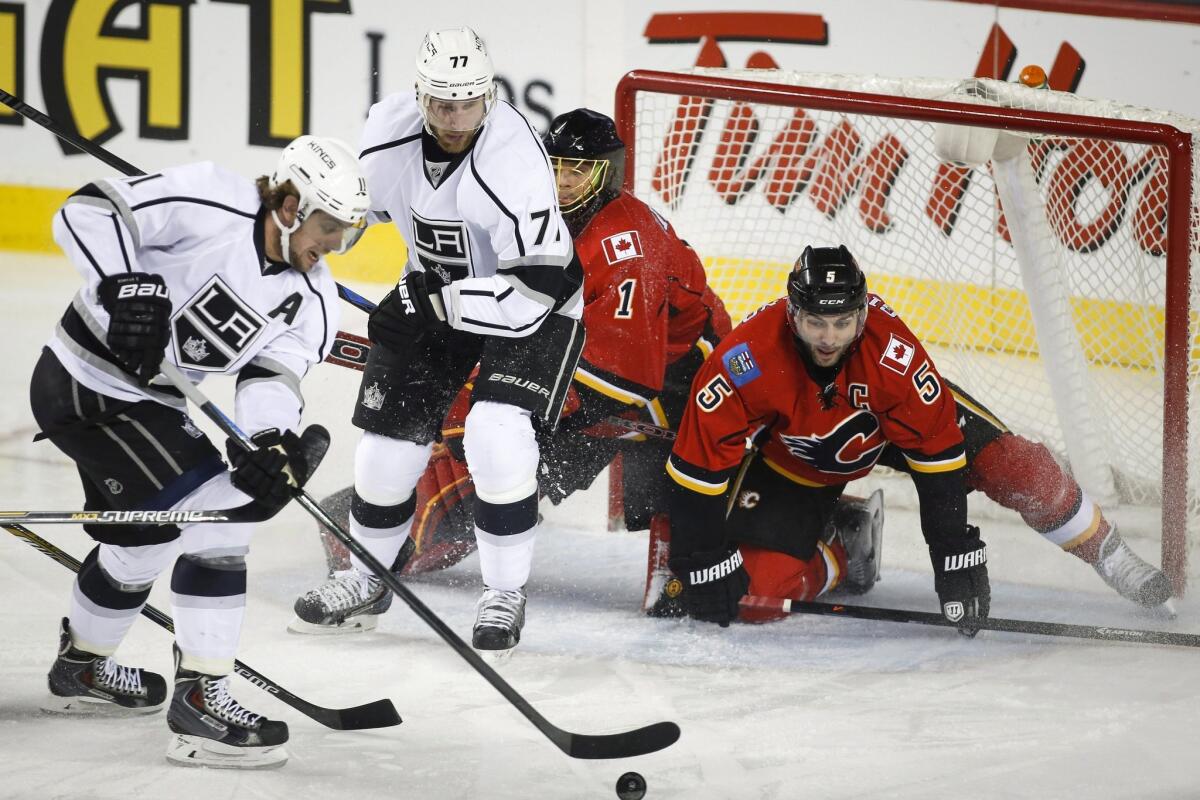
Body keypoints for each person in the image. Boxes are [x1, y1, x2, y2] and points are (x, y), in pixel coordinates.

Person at [296, 108, 732, 629]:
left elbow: (626, 378)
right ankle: (388, 533)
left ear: (607, 172)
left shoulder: (626, 251)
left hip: (673, 384)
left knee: (498, 445)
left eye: (579, 169)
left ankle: (469, 552)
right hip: (593, 359)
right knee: (465, 428)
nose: (563, 181)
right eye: (556, 166)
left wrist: (496, 386)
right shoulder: (528, 201)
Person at [30, 134, 368, 767]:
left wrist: (268, 443)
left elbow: (271, 377)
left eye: (348, 235)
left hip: (153, 404)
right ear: (291, 203)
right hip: (82, 381)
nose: (334, 246)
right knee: (221, 518)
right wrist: (126, 284)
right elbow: (86, 210)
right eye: (328, 226)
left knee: (146, 541)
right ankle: (201, 701)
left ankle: (80, 667)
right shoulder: (214, 197)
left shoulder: (313, 300)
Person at [659, 244, 1172, 631]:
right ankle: (845, 542)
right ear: (792, 313)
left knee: (1020, 468)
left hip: (897, 436)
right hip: (801, 460)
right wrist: (698, 559)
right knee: (759, 595)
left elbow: (939, 461)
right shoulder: (744, 361)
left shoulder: (893, 355)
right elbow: (700, 467)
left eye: (842, 322)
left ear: (861, 314)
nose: (828, 338)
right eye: (815, 321)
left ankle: (1110, 555)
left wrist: (953, 554)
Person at [291, 28, 584, 652]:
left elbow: (536, 286)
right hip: (433, 289)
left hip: (535, 303)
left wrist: (447, 301)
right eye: (442, 104)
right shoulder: (389, 128)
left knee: (495, 434)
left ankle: (505, 592)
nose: (455, 119)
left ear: (489, 95)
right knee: (383, 451)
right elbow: (359, 213)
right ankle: (366, 578)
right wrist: (303, 227)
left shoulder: (512, 160)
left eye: (468, 103)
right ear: (420, 95)